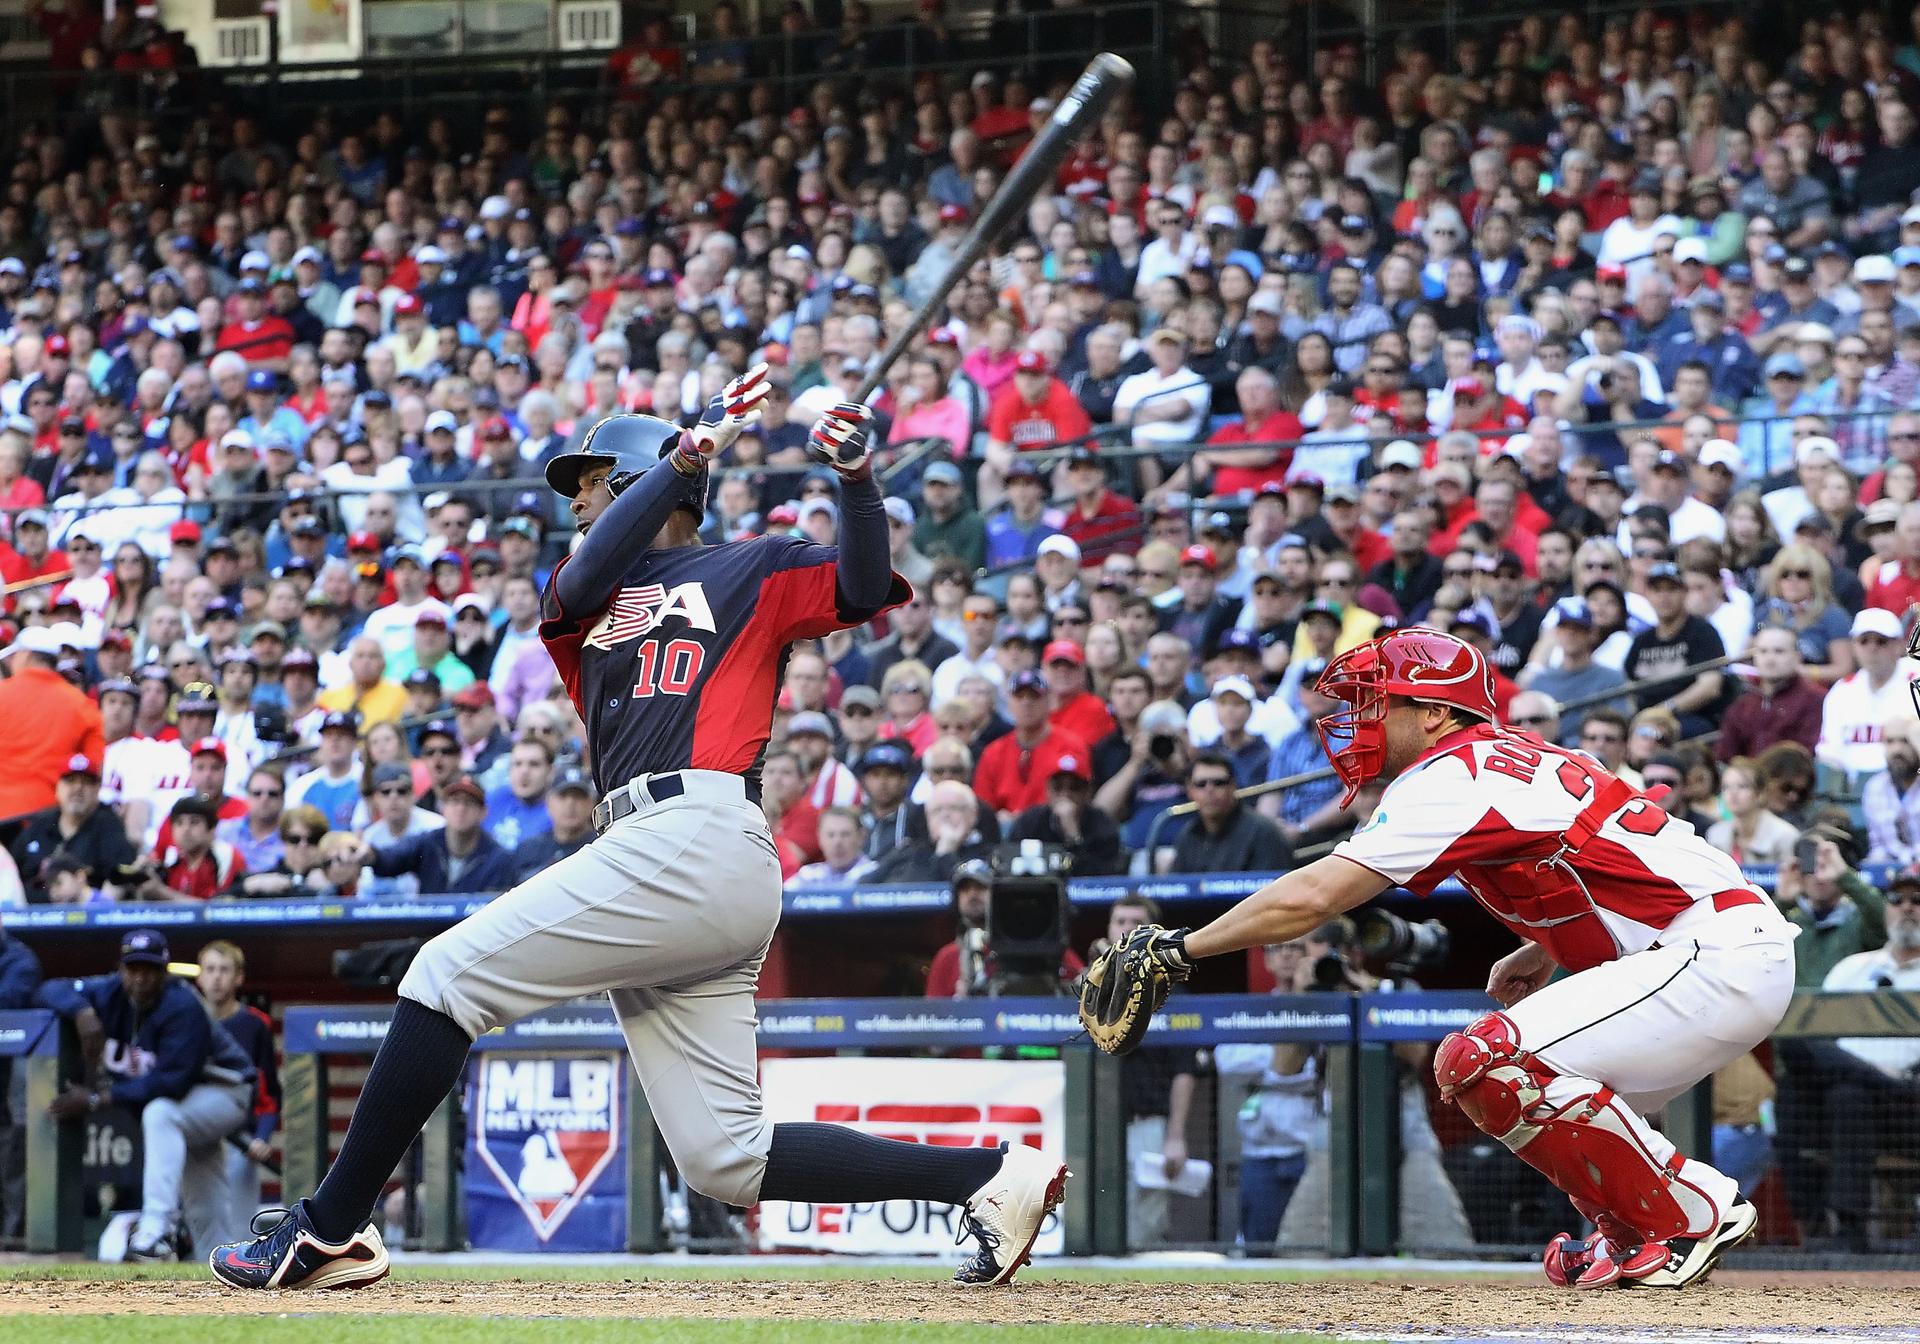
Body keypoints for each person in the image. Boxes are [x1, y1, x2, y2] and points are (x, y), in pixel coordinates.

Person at [212, 388, 1066, 1291]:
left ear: (632, 482)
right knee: (723, 1159)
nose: (576, 505)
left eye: (589, 485)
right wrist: (679, 465)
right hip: (664, 851)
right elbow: (580, 581)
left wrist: (856, 480)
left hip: (698, 830)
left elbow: (860, 587)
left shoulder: (756, 565)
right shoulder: (586, 595)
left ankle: (332, 1228)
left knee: (442, 978)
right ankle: (985, 1177)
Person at [1092, 628, 1794, 1290]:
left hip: (1712, 955)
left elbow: (1311, 898)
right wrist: (1543, 946)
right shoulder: (1520, 756)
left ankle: (1692, 1212)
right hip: (1714, 946)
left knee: (1483, 1059)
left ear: (1432, 712)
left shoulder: (1450, 773)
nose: (1362, 719)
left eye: (1380, 702)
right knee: (1502, 1080)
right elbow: (1610, 863)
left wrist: (1176, 949)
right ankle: (1630, 1227)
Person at [38, 929, 254, 1261]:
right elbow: (50, 988)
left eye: (150, 970)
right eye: (133, 969)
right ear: (121, 969)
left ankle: (156, 1231)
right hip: (187, 1102)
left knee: (161, 1113)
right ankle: (222, 1262)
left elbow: (171, 1083)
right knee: (203, 1191)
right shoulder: (110, 991)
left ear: (165, 971)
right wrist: (83, 1012)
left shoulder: (183, 1004)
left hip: (225, 1090)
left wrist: (97, 1099)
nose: (140, 978)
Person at [196, 941, 281, 1250]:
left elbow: (270, 1090)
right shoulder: (186, 1018)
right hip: (196, 1134)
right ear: (200, 977)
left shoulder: (255, 1023)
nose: (216, 978)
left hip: (239, 1140)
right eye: (210, 970)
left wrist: (262, 1135)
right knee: (199, 1222)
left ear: (238, 978)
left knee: (241, 1233)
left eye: (224, 970)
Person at [351, 775, 516, 896]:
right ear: (443, 808)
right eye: (454, 801)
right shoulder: (429, 842)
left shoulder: (498, 857)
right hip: (427, 932)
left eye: (469, 802)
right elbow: (392, 858)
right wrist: (371, 855)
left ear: (483, 812)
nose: (460, 809)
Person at [9, 753, 136, 901]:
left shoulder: (108, 825)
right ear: (58, 788)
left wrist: (98, 913)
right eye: (70, 781)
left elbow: (120, 876)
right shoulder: (39, 826)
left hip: (85, 919)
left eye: (86, 782)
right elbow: (8, 871)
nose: (78, 788)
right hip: (30, 917)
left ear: (97, 790)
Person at [1168, 751, 1295, 874]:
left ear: (1233, 786)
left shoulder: (1264, 833)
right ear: (1190, 790)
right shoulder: (1188, 835)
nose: (1210, 790)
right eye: (1201, 784)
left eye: (1219, 783)